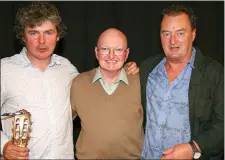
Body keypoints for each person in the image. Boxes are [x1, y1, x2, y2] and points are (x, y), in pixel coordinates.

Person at [1, 2, 138, 159]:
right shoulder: (4, 70)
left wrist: (129, 68)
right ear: (22, 36)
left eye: (48, 33)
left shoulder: (67, 70)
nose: (41, 41)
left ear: (58, 35)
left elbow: (100, 84)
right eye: (33, 33)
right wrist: (3, 145)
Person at [140, 4, 224, 160]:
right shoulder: (146, 69)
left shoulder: (215, 73)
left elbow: (222, 125)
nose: (172, 41)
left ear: (193, 34)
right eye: (166, 33)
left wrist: (194, 148)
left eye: (180, 33)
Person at [70, 28, 144, 159]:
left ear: (126, 54)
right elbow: (61, 122)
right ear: (96, 52)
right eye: (105, 49)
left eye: (118, 50)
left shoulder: (141, 81)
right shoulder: (79, 83)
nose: (111, 56)